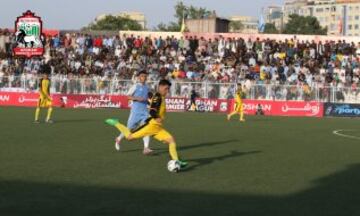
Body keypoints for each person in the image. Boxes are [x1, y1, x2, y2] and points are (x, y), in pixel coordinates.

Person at [106, 79, 188, 169]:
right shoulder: (158, 96)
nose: (167, 91)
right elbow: (152, 110)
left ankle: (176, 161)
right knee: (129, 137)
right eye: (166, 88)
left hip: (158, 128)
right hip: (151, 125)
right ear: (160, 87)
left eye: (168, 89)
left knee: (171, 140)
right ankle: (116, 123)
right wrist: (156, 117)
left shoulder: (161, 97)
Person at [115, 70, 153, 155]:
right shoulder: (135, 86)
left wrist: (149, 103)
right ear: (139, 77)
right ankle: (119, 138)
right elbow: (128, 96)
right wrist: (137, 98)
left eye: (145, 76)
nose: (144, 77)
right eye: (142, 76)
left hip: (145, 112)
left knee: (146, 129)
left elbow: (146, 98)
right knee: (129, 129)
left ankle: (146, 148)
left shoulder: (147, 87)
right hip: (135, 112)